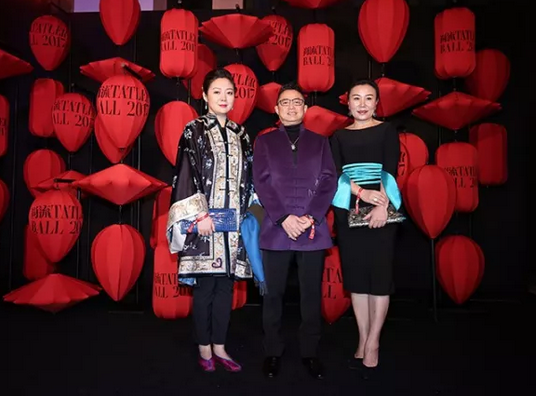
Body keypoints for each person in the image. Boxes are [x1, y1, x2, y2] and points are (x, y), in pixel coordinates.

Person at [166, 68, 255, 373]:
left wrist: (248, 216)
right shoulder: (194, 130)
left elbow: (249, 178)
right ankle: (204, 348)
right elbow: (185, 172)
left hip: (232, 226)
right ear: (204, 96)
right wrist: (199, 214)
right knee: (205, 289)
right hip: (204, 224)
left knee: (225, 290)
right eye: (217, 91)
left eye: (229, 92)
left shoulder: (241, 134)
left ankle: (220, 346)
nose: (223, 97)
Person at [253, 82, 337, 380]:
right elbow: (261, 181)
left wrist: (311, 216)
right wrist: (283, 218)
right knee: (273, 295)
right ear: (276, 109)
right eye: (285, 102)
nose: (291, 107)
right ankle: (272, 351)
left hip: (311, 229)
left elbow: (329, 180)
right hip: (276, 228)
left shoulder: (320, 142)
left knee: (311, 295)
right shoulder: (264, 142)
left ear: (305, 108)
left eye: (297, 102)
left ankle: (310, 352)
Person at [329, 79, 402, 377]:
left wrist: (382, 205)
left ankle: (374, 342)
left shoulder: (387, 130)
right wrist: (361, 193)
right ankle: (362, 336)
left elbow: (390, 170)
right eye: (356, 98)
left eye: (368, 98)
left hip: (383, 205)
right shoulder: (338, 136)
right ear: (348, 103)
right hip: (350, 206)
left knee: (380, 277)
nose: (362, 104)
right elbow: (334, 173)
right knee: (357, 278)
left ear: (376, 103)